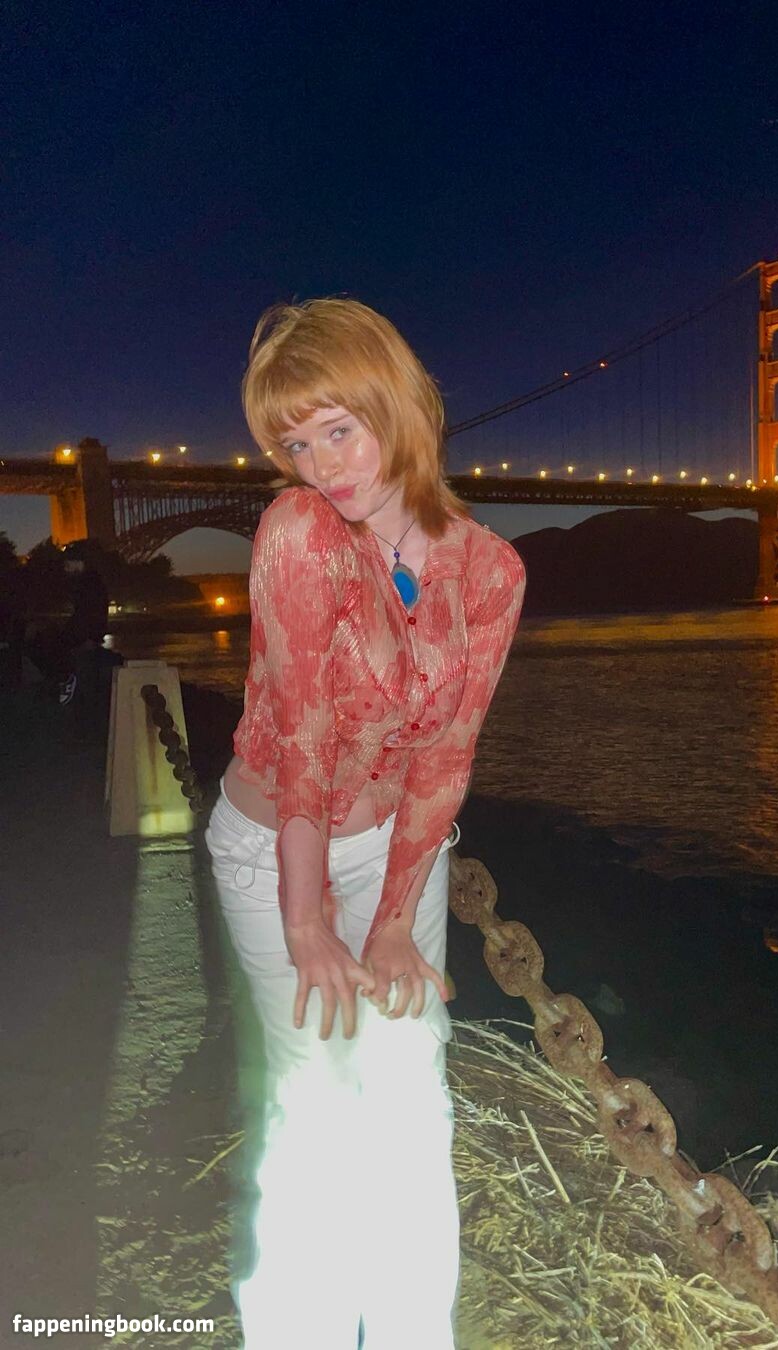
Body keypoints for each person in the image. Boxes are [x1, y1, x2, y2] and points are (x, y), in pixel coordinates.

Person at [204, 298, 526, 1349]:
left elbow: (448, 754)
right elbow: (304, 736)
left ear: (397, 406)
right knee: (314, 1097)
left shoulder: (491, 571)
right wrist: (308, 920)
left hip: (396, 851)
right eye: (294, 443)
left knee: (410, 1091)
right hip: (272, 852)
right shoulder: (300, 533)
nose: (320, 465)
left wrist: (392, 919)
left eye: (337, 429)